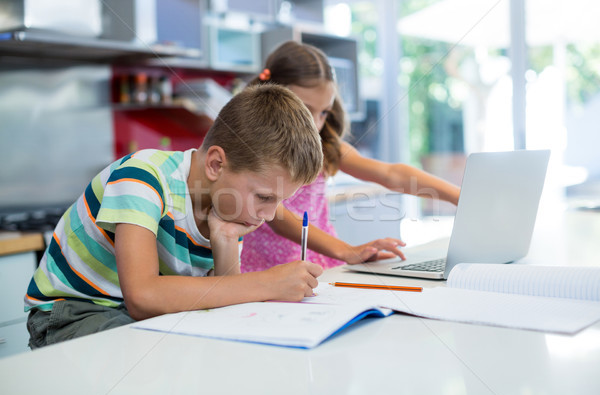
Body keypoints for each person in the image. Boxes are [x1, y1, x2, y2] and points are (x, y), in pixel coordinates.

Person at [24, 84, 324, 348]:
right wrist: (267, 283)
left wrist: (225, 241)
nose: (269, 215)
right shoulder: (144, 176)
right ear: (216, 164)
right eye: (264, 197)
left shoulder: (231, 209)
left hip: (138, 316)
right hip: (74, 312)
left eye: (280, 201)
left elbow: (225, 304)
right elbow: (142, 297)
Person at [241, 41, 461, 273]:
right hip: (268, 271)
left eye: (323, 112)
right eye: (304, 111)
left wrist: (459, 196)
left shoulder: (325, 147)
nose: (315, 124)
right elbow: (279, 218)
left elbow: (392, 174)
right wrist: (347, 250)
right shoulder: (253, 147)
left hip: (322, 264)